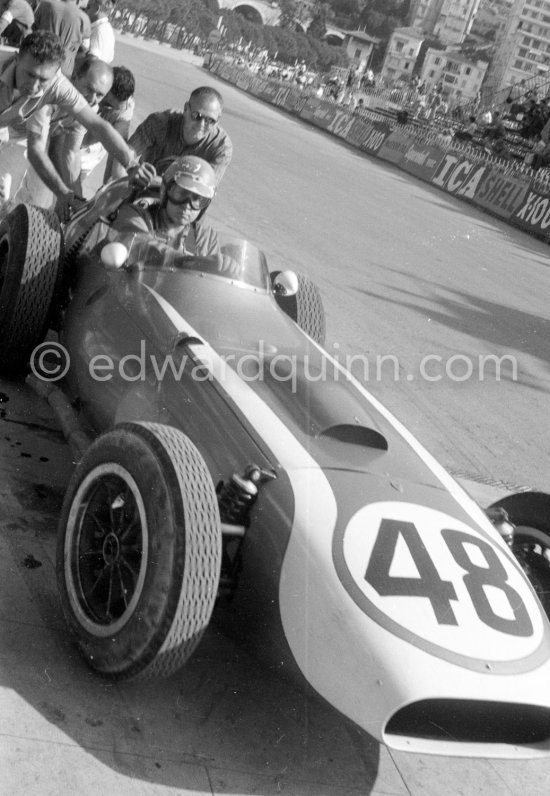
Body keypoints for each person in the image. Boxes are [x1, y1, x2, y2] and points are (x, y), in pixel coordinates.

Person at [0, 31, 144, 216]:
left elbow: (96, 126)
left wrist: (131, 164)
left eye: (43, 80)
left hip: (17, 137)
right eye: (30, 75)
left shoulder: (57, 87)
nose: (34, 86)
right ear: (17, 58)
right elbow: (37, 149)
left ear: (56, 72)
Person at [31, 54, 113, 195]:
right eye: (89, 89)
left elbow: (71, 153)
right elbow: (36, 147)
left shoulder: (90, 109)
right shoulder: (53, 90)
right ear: (75, 76)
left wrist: (77, 196)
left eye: (100, 95)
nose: (92, 99)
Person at [120, 86, 232, 187]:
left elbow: (207, 186)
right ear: (186, 109)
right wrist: (132, 167)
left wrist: (158, 181)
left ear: (218, 120)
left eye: (210, 120)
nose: (201, 125)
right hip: (142, 186)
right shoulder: (160, 123)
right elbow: (127, 152)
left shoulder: (221, 148)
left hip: (184, 199)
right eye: (196, 116)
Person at [112, 155, 219, 257]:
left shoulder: (206, 238)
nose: (187, 205)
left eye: (196, 198)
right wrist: (190, 261)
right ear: (164, 191)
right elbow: (141, 246)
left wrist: (229, 267)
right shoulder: (134, 215)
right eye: (181, 193)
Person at [78, 64, 134, 188]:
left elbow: (116, 153)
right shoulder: (87, 86)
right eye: (107, 105)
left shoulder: (124, 111)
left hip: (85, 156)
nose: (93, 100)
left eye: (116, 108)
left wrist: (105, 188)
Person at [33, 0, 90, 76]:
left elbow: (33, 29)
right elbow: (85, 47)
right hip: (64, 67)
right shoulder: (84, 18)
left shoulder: (46, 4)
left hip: (39, 58)